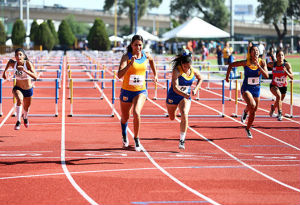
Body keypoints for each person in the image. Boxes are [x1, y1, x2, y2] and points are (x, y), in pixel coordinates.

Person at [117, 35, 157, 152]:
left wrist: (156, 75)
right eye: (136, 45)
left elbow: (152, 61)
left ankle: (136, 138)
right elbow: (119, 75)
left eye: (140, 45)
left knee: (136, 112)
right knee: (125, 117)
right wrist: (130, 64)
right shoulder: (126, 57)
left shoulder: (146, 55)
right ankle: (124, 135)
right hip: (127, 91)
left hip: (141, 90)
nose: (138, 47)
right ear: (131, 45)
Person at [225, 45, 268, 138]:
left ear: (259, 52)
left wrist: (259, 66)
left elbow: (267, 75)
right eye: (254, 50)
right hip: (246, 88)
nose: (256, 52)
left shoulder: (262, 62)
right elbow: (231, 65)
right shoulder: (246, 62)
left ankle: (247, 127)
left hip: (256, 89)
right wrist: (227, 77)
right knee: (252, 105)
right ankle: (247, 110)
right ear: (250, 53)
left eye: (257, 50)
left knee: (254, 110)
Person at [166, 51, 202, 149]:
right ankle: (175, 109)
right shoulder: (176, 71)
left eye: (188, 67)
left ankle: (182, 140)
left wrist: (196, 89)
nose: (187, 69)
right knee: (172, 117)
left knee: (184, 114)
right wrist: (184, 94)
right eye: (185, 67)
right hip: (173, 96)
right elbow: (175, 87)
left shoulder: (193, 70)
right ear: (182, 64)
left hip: (184, 97)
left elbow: (200, 78)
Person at [2, 48, 37, 130]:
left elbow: (35, 76)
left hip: (28, 89)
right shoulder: (13, 63)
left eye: (20, 54)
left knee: (26, 108)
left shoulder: (27, 63)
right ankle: (18, 121)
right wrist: (4, 72)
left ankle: (25, 117)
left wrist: (24, 70)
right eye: (17, 55)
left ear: (24, 56)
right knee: (20, 100)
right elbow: (9, 62)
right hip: (18, 88)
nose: (18, 56)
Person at [268, 49, 294, 121]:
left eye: (282, 55)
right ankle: (280, 113)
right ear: (276, 57)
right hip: (274, 85)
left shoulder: (287, 65)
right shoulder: (273, 64)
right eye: (279, 55)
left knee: (279, 100)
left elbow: (292, 77)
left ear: (284, 56)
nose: (280, 57)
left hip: (283, 86)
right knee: (278, 96)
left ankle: (273, 108)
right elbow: (266, 65)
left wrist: (287, 72)